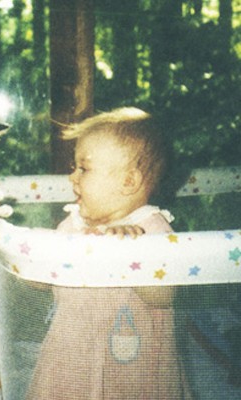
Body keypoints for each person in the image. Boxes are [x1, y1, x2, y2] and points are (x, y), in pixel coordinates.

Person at [26, 107, 192, 399]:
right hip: (71, 360)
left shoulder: (151, 227)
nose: (72, 177)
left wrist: (131, 253)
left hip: (131, 371)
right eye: (74, 167)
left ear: (128, 181)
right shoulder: (75, 222)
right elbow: (43, 281)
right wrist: (32, 254)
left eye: (83, 168)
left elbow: (164, 296)